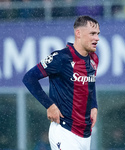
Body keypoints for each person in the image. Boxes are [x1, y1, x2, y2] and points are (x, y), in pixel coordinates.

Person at [22, 15, 100, 150]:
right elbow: (29, 78)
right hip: (64, 131)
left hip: (86, 134)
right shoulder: (61, 58)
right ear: (78, 33)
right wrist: (49, 105)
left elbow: (89, 86)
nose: (97, 38)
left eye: (98, 34)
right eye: (92, 34)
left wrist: (94, 106)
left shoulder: (93, 59)